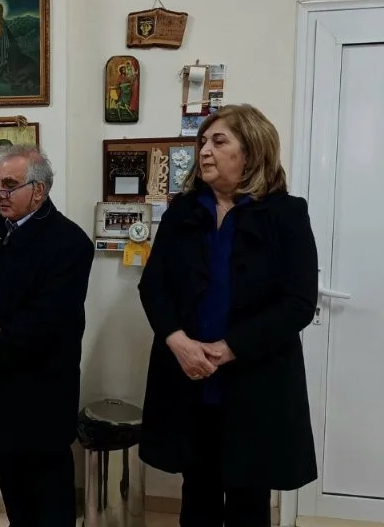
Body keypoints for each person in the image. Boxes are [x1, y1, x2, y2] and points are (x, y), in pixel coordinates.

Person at [137, 104, 319, 526]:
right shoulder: (183, 211)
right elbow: (153, 287)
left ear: (251, 151)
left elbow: (298, 302)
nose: (204, 150)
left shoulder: (286, 215)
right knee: (196, 497)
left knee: (248, 503)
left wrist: (228, 348)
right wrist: (178, 342)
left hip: (255, 381)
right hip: (188, 377)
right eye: (202, 141)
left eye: (219, 141)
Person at [0, 145, 94, 527]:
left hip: (42, 391)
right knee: (15, 500)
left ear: (38, 190)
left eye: (9, 185)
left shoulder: (71, 244)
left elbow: (46, 319)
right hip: (0, 388)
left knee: (51, 506)